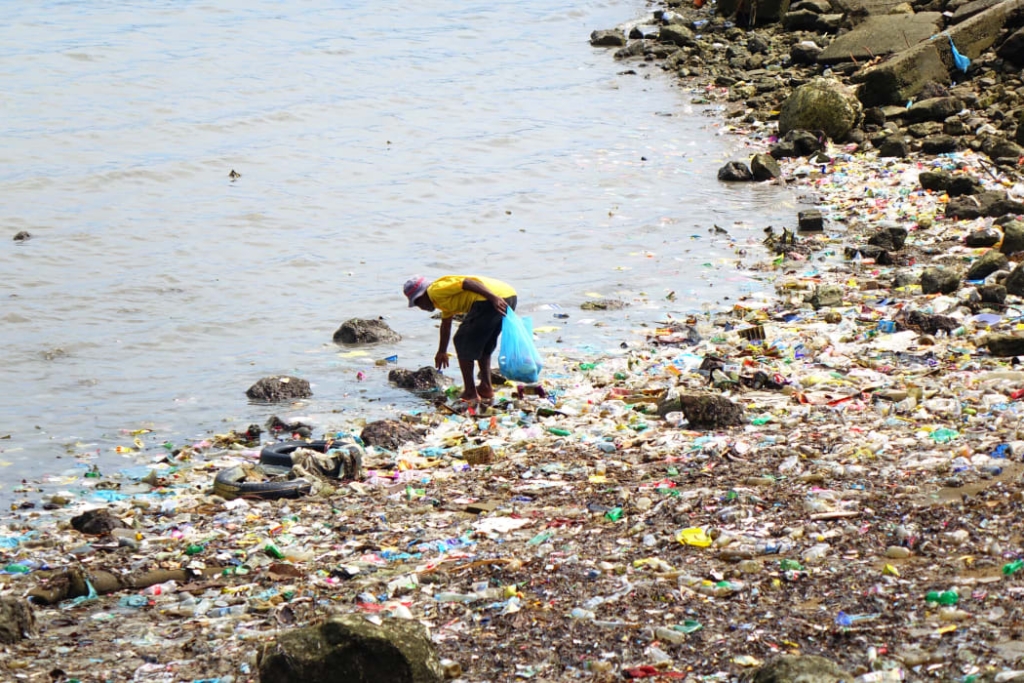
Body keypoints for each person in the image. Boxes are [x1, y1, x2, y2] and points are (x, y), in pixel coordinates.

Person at [404, 275, 517, 405]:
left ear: (423, 293)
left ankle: (470, 392)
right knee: (484, 343)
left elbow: (467, 283)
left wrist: (493, 298)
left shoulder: (435, 290)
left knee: (461, 340)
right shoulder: (442, 301)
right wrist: (442, 351)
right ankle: (486, 387)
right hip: (509, 296)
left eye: (418, 302)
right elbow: (446, 325)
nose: (420, 307)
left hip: (490, 299)